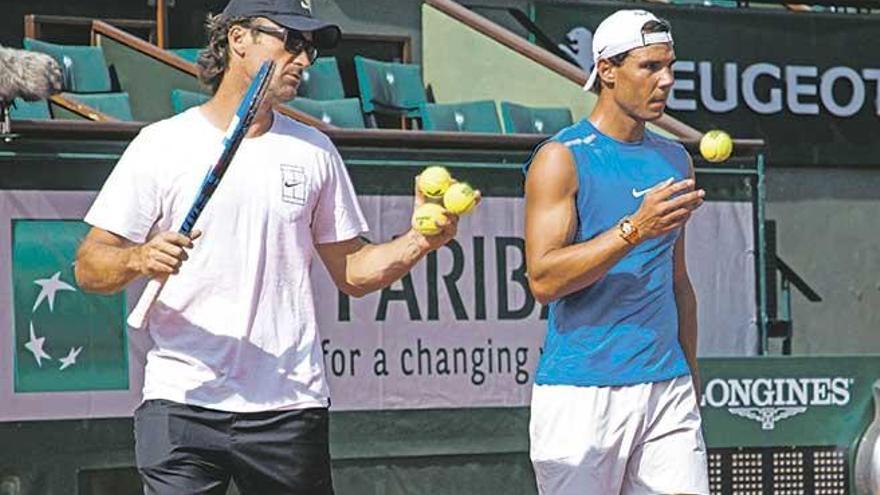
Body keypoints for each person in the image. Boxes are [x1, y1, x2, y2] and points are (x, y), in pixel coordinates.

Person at [74, 0, 471, 493]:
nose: (304, 60)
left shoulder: (315, 151)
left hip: (289, 407)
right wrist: (138, 257)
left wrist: (419, 241)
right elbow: (90, 265)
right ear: (238, 38)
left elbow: (353, 272)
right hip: (181, 401)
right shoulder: (160, 146)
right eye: (292, 42)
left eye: (311, 49)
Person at [524, 9, 709, 495]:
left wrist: (688, 376)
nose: (666, 80)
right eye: (649, 67)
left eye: (669, 66)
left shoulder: (675, 158)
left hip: (667, 388)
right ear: (607, 69)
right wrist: (633, 229)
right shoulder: (561, 158)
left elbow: (677, 280)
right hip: (582, 395)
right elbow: (543, 280)